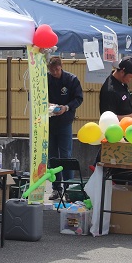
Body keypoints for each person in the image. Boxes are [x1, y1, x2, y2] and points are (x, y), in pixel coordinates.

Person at [47, 56, 84, 201]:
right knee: (52, 156)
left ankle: (69, 188)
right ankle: (56, 188)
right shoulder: (45, 79)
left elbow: (79, 98)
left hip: (65, 122)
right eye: (52, 70)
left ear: (61, 66)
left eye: (57, 69)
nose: (55, 72)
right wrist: (48, 105)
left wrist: (66, 107)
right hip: (49, 122)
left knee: (66, 155)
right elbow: (36, 97)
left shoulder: (71, 80)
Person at [99, 56, 132, 121]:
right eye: (130, 77)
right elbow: (108, 119)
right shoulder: (110, 91)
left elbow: (125, 99)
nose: (131, 80)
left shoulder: (121, 82)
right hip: (116, 130)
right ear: (122, 72)